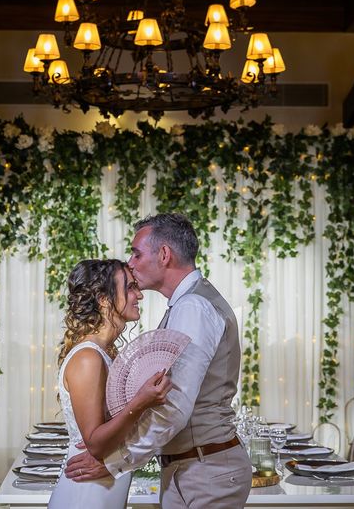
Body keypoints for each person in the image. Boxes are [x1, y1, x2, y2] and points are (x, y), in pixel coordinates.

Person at [65, 213, 252, 508]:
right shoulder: (184, 305)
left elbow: (174, 406)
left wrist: (118, 459)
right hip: (191, 466)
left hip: (206, 470)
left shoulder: (193, 307)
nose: (131, 262)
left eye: (137, 253)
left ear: (164, 254)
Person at [48, 259, 173, 509]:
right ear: (103, 298)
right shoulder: (88, 358)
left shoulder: (106, 353)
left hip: (105, 490)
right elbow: (95, 444)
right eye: (130, 287)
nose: (139, 295)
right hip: (86, 495)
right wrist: (140, 403)